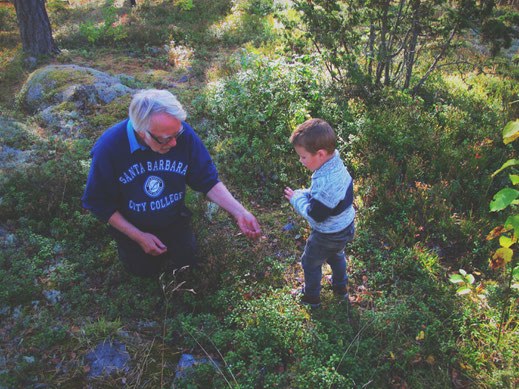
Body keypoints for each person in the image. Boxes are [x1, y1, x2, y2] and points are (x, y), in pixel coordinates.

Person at [82, 89, 261, 277]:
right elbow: (98, 202)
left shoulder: (182, 135)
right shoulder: (109, 148)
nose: (175, 143)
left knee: (189, 266)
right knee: (143, 274)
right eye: (167, 139)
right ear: (142, 133)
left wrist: (240, 212)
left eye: (178, 133)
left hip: (174, 220)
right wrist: (138, 236)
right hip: (132, 227)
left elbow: (207, 180)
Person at [284, 118, 355, 308]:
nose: (300, 160)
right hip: (346, 227)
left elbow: (315, 214)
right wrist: (307, 192)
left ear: (321, 154)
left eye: (303, 157)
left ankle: (312, 298)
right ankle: (340, 287)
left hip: (328, 234)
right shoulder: (336, 165)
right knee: (336, 255)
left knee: (310, 262)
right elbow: (329, 197)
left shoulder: (326, 183)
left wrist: (296, 199)